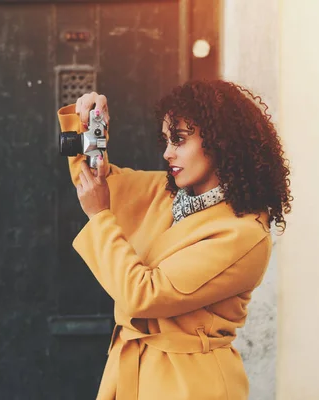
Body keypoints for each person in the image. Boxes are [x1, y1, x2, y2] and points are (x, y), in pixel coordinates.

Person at [57, 79, 292, 400]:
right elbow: (95, 183)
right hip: (130, 375)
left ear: (221, 142)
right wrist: (90, 130)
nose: (168, 152)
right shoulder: (168, 193)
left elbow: (144, 295)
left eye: (179, 140)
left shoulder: (243, 233)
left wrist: (100, 217)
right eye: (166, 140)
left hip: (189, 385)